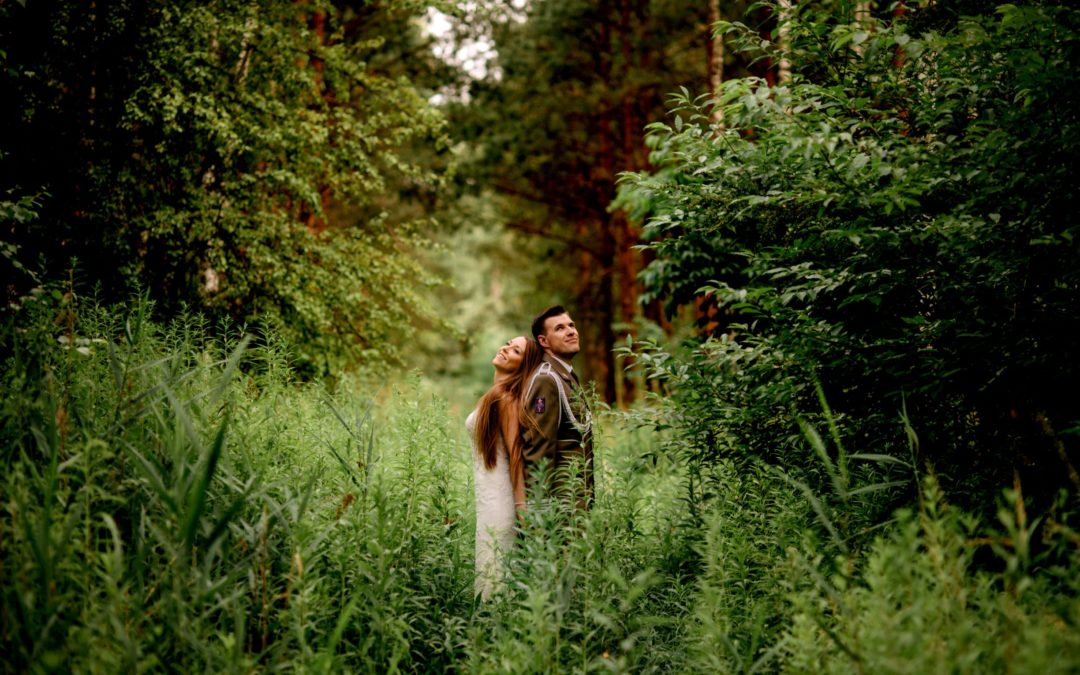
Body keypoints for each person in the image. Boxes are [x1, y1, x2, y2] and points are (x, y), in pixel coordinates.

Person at [467, 335, 544, 600]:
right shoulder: (496, 394)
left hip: (501, 506)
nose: (505, 349)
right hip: (488, 501)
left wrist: (521, 508)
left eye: (515, 351)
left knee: (495, 585)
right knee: (492, 579)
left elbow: (515, 455)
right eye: (508, 344)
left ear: (523, 365)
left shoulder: (507, 398)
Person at [522, 305, 594, 508]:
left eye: (571, 325)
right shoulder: (546, 379)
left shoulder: (566, 375)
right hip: (562, 504)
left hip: (576, 498)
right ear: (543, 341)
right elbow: (538, 449)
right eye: (560, 328)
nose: (571, 331)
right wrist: (540, 509)